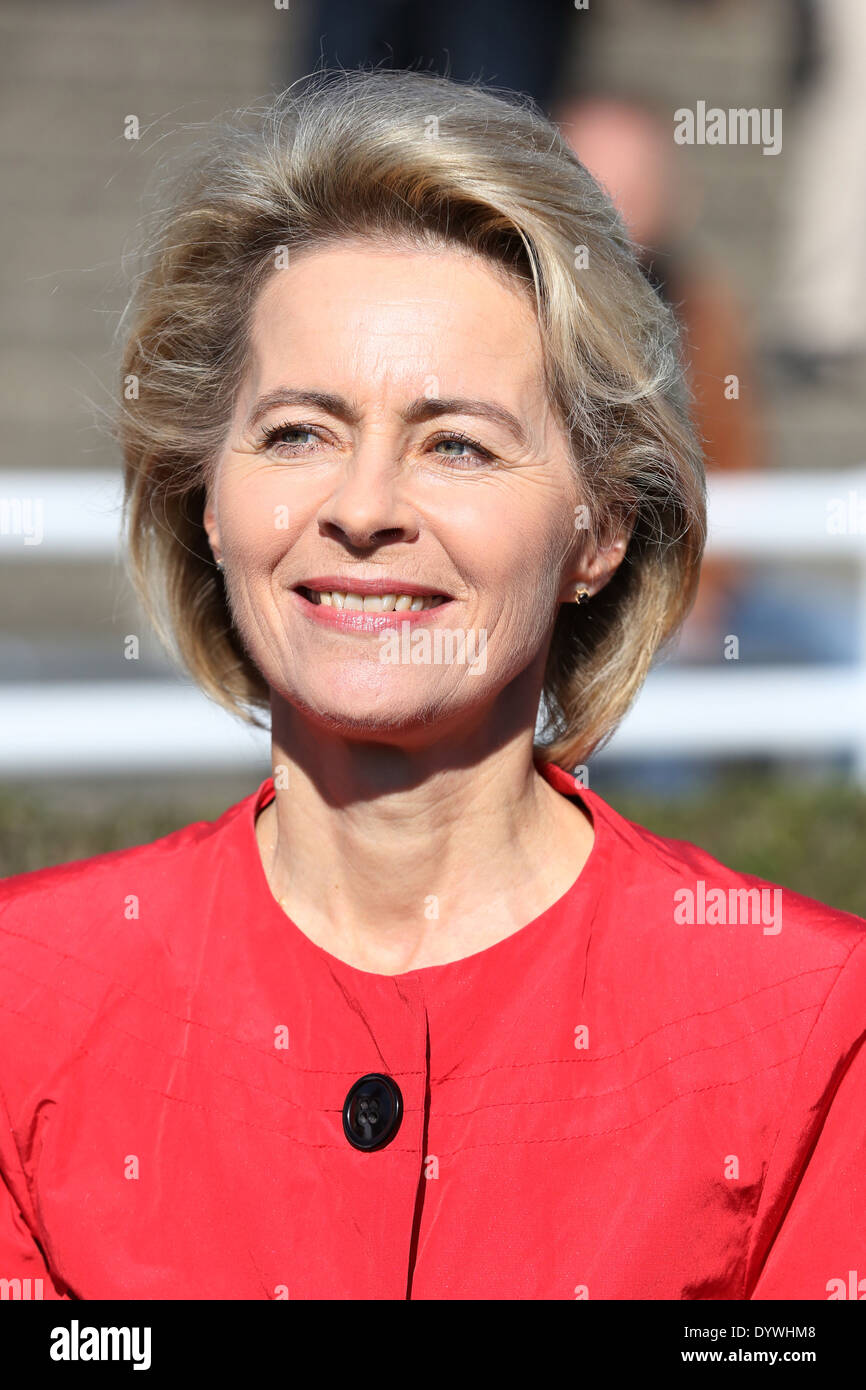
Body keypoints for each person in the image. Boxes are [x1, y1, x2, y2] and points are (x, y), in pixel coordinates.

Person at [0, 69, 863, 1302]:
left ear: (599, 530)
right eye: (298, 430)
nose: (360, 508)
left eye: (455, 442)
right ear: (205, 497)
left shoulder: (811, 1024)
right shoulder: (23, 996)